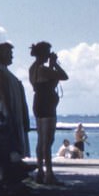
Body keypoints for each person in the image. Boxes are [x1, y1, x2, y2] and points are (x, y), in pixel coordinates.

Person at [28, 41, 69, 185]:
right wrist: (55, 63)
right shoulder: (43, 69)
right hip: (47, 105)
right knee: (48, 140)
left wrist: (51, 65)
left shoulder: (33, 68)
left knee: (41, 139)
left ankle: (41, 171)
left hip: (38, 102)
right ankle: (49, 174)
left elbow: (50, 81)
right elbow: (63, 76)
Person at [0, 42, 31, 164]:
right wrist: (9, 113)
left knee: (11, 146)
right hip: (4, 112)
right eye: (9, 53)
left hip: (7, 112)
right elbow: (2, 92)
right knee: (8, 145)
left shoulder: (3, 70)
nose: (11, 56)